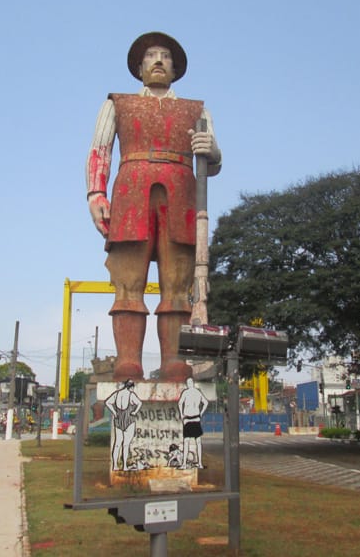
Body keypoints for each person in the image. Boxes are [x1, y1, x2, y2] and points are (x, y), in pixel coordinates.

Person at [86, 31, 222, 382]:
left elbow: (212, 163)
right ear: (139, 67)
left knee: (178, 286)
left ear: (175, 69)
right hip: (131, 193)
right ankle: (127, 361)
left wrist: (213, 151)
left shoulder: (197, 110)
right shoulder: (118, 104)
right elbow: (100, 150)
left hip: (182, 197)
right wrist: (95, 193)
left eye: (165, 56)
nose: (158, 60)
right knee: (127, 283)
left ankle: (175, 361)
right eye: (150, 55)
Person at [105, 379, 143, 471]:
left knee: (117, 444)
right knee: (125, 445)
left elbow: (107, 402)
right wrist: (134, 412)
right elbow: (139, 403)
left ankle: (115, 465)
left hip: (118, 419)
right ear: (131, 387)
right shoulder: (131, 395)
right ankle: (124, 466)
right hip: (129, 420)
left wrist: (114, 412)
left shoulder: (117, 394)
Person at [177, 377, 209, 469]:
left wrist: (182, 414)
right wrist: (201, 413)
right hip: (196, 418)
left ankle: (184, 464)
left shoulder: (186, 392)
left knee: (186, 441)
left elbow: (180, 403)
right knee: (198, 441)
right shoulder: (197, 392)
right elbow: (206, 403)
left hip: (188, 418)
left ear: (189, 383)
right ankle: (199, 463)